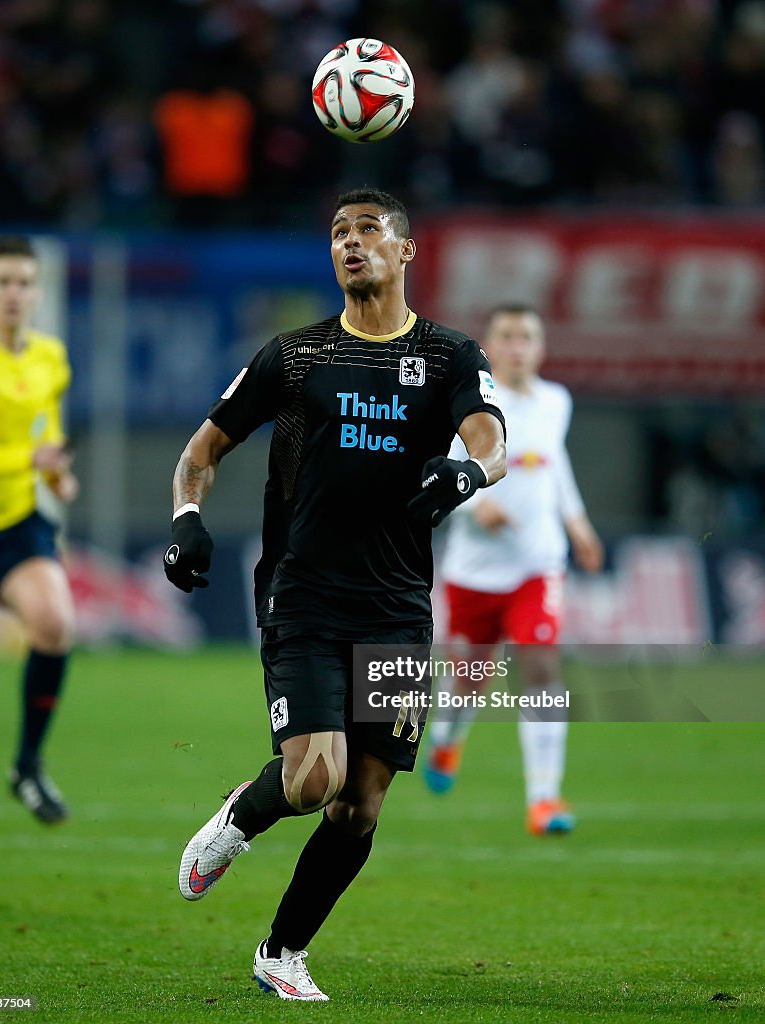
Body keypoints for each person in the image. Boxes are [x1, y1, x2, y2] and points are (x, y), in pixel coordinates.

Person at [163, 188, 507, 1001]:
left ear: (407, 250)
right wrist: (186, 516)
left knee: (360, 804)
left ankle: (282, 952)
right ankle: (240, 819)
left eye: (368, 230)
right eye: (338, 234)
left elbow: (492, 442)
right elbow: (203, 449)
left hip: (396, 606)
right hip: (304, 592)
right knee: (315, 778)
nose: (350, 244)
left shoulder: (450, 355)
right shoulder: (296, 356)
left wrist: (466, 469)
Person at [423, 304, 603, 835]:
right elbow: (439, 474)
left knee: (541, 670)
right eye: (508, 336)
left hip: (538, 565)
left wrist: (579, 523)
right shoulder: (468, 404)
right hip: (475, 572)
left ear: (541, 347)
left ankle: (544, 799)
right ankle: (446, 742)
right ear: (490, 346)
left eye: (528, 336)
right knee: (469, 680)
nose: (519, 346)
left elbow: (555, 463)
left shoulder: (555, 402)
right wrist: (478, 505)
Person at [0, 235, 78, 824]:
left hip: (12, 523)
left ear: (37, 292)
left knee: (55, 623)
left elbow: (43, 432)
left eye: (24, 282)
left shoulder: (49, 357)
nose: (13, 292)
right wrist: (27, 462)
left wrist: (56, 481)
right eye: (1, 281)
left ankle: (27, 766)